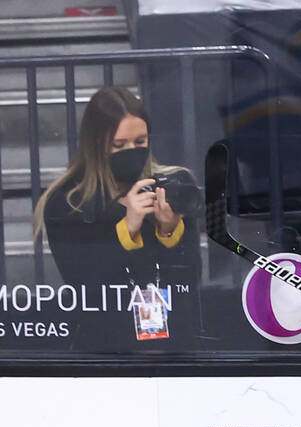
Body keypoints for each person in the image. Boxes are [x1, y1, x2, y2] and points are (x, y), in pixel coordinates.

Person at [33, 86, 200, 288]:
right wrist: (127, 228)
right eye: (118, 145)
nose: (131, 151)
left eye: (140, 141)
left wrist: (168, 232)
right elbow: (82, 282)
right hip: (105, 317)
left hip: (168, 316)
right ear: (95, 145)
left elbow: (190, 281)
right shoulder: (68, 203)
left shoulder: (174, 186)